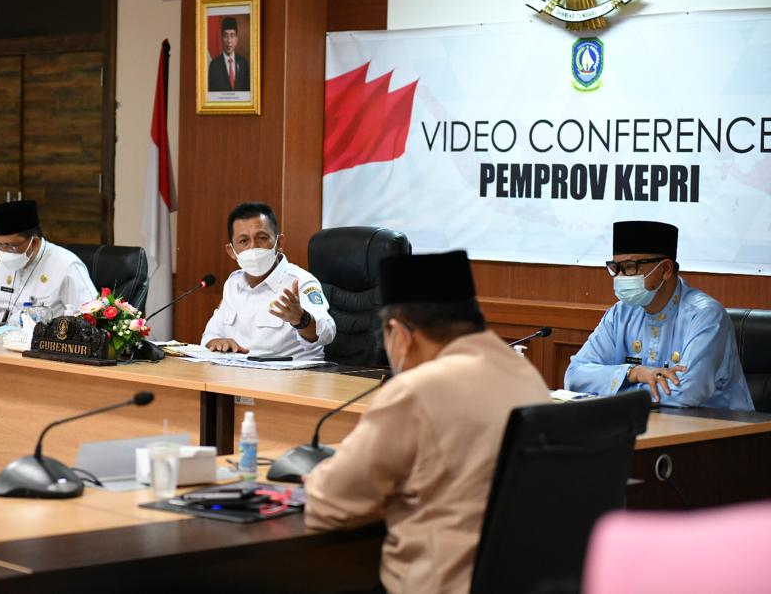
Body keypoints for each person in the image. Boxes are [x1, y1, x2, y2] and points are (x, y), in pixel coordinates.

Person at [304, 250, 550, 594]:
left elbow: (329, 505)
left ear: (400, 333)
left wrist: (316, 476)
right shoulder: (526, 374)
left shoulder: (416, 389)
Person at [564, 220, 753, 409]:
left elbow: (687, 392)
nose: (620, 277)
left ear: (665, 269)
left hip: (720, 424)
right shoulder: (620, 314)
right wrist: (634, 373)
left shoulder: (705, 315)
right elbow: (574, 376)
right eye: (616, 268)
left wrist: (613, 390)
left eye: (630, 267)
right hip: (650, 420)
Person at [201, 201, 335, 359]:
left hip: (289, 372)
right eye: (244, 241)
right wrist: (216, 342)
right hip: (238, 370)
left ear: (279, 243)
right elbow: (210, 334)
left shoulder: (300, 282)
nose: (253, 247)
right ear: (231, 251)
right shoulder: (233, 283)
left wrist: (301, 319)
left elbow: (327, 333)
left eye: (262, 238)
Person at [0, 200, 97, 326]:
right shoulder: (4, 261)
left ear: (34, 242)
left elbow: (92, 315)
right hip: (2, 340)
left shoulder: (66, 265)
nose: (4, 252)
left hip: (45, 343)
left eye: (10, 246)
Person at [207, 16, 250, 92]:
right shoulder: (214, 66)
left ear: (236, 39)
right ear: (221, 38)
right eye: (225, 36)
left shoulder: (244, 64)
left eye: (232, 36)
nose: (229, 40)